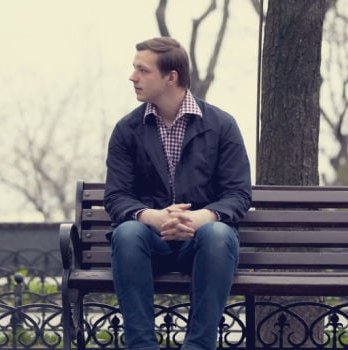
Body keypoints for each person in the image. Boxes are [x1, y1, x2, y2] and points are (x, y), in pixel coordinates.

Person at [104, 37, 252, 350]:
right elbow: (117, 196)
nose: (133, 77)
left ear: (171, 77)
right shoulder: (126, 130)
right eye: (135, 69)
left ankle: (198, 346)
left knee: (218, 235)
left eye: (143, 71)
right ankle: (141, 346)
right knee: (128, 233)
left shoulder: (222, 126)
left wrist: (202, 217)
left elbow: (238, 193)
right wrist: (152, 217)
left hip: (201, 246)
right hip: (148, 244)